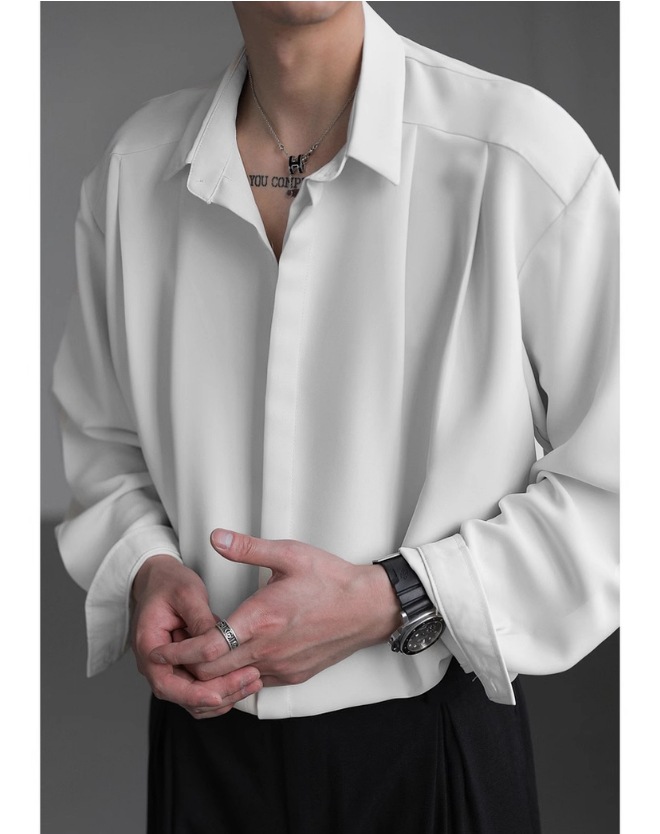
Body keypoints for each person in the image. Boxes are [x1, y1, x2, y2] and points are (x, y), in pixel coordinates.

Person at [53, 2, 619, 832]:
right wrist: (146, 564)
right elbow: (104, 442)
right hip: (205, 748)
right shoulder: (134, 173)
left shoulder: (519, 158)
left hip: (431, 750)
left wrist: (397, 597)